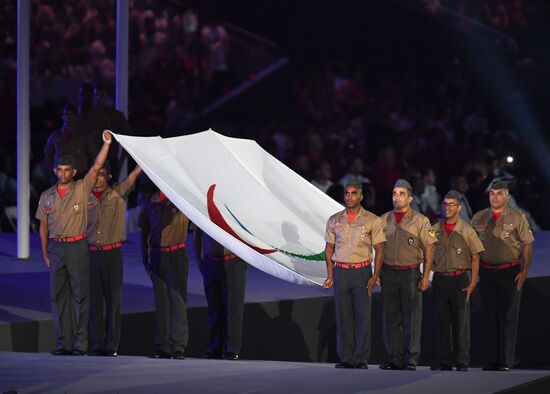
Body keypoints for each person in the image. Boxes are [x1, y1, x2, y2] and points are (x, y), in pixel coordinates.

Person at [36, 130, 112, 356]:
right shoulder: (47, 195)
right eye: (60, 170)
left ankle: (80, 344)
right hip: (56, 247)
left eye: (67, 170)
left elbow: (97, 167)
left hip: (77, 247)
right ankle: (63, 343)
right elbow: (43, 226)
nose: (63, 173)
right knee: (58, 297)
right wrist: (45, 252)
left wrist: (106, 144)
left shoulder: (80, 188)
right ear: (55, 171)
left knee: (80, 295)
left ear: (73, 172)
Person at [471, 179, 534, 371]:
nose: (494, 197)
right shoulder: (479, 217)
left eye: (499, 193)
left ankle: (506, 360)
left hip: (510, 271)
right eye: (492, 193)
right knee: (490, 316)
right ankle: (491, 360)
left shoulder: (517, 217)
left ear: (506, 196)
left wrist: (524, 272)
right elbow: (470, 243)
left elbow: (528, 245)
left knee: (508, 317)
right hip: (487, 272)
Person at [323, 180, 386, 369]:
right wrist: (330, 274)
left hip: (362, 271)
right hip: (341, 270)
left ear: (361, 196)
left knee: (362, 316)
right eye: (347, 193)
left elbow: (380, 250)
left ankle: (361, 358)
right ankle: (346, 357)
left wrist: (375, 275)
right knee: (343, 316)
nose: (349, 197)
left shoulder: (372, 220)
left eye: (353, 193)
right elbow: (328, 249)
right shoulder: (335, 220)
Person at [379, 179, 437, 370]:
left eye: (402, 194)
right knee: (391, 317)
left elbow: (430, 248)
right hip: (388, 272)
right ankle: (393, 358)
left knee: (412, 318)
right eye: (395, 193)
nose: (397, 197)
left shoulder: (421, 220)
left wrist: (426, 275)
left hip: (410, 273)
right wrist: (376, 273)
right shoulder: (383, 219)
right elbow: (377, 249)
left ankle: (411, 358)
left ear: (410, 198)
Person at [87, 162, 142, 356]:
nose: (98, 178)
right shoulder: (85, 197)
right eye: (96, 174)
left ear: (108, 177)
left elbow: (134, 175)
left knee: (113, 301)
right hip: (92, 253)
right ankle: (97, 343)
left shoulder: (117, 194)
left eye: (102, 174)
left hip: (112, 254)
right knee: (95, 302)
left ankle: (112, 345)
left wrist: (141, 161)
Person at [431, 190, 484, 372]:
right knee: (441, 322)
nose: (447, 207)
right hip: (439, 279)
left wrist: (473, 282)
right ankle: (444, 360)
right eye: (445, 204)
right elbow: (426, 253)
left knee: (461, 322)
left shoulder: (466, 229)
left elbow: (475, 256)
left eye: (451, 204)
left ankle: (462, 360)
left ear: (459, 208)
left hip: (459, 279)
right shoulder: (435, 228)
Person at [139, 189, 190, 360]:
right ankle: (163, 346)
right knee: (161, 303)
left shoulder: (181, 198)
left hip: (176, 254)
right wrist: (144, 258)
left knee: (177, 300)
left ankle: (178, 346)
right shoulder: (149, 201)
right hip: (156, 254)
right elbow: (143, 232)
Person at [194, 228, 247, 360]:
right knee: (214, 308)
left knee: (233, 308)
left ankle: (232, 349)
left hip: (233, 262)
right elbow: (197, 235)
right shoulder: (203, 209)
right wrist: (199, 261)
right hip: (211, 261)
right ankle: (215, 347)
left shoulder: (231, 210)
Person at [43, 104, 95, 183]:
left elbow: (93, 156)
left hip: (80, 176)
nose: (68, 117)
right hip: (60, 177)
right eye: (65, 114)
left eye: (71, 114)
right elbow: (47, 155)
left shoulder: (84, 136)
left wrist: (90, 175)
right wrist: (51, 174)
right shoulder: (55, 135)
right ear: (62, 117)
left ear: (77, 117)